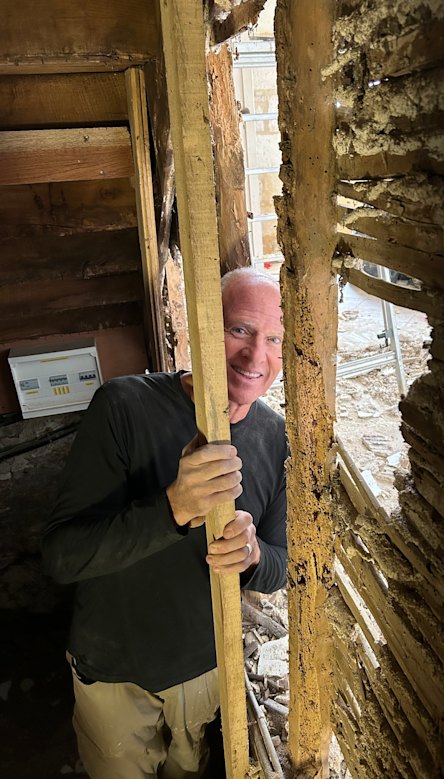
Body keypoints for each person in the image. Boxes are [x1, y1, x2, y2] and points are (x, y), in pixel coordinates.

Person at [42, 267, 288, 779]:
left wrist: (253, 555)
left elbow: (280, 567)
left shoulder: (274, 437)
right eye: (240, 329)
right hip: (114, 676)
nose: (255, 356)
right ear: (201, 326)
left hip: (207, 672)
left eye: (273, 339)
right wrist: (172, 508)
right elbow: (63, 557)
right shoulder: (124, 405)